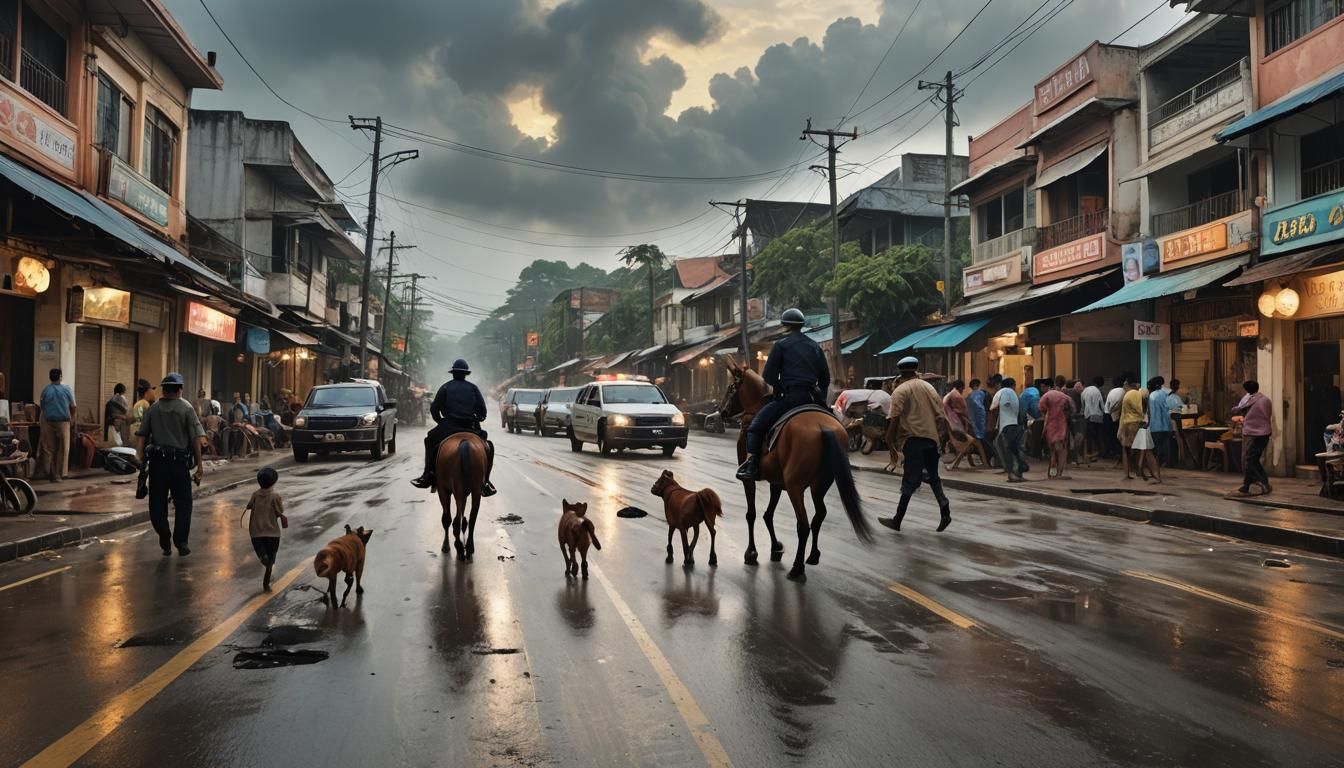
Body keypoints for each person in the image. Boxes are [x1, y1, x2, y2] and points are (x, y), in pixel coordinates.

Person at [736, 308, 829, 481]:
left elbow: (768, 376)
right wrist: (821, 399)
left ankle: (752, 464)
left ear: (785, 326)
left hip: (790, 398)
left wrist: (780, 388)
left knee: (755, 427)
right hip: (812, 398)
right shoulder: (815, 346)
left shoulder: (781, 345)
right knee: (836, 422)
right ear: (801, 325)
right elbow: (825, 379)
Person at [880, 357, 952, 532]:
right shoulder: (929, 388)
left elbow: (894, 419)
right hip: (932, 440)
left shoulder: (900, 391)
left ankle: (897, 520)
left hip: (913, 440)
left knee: (909, 481)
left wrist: (889, 440)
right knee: (933, 477)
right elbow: (941, 416)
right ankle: (945, 509)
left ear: (900, 374)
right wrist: (942, 440)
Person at [136, 373, 205, 556]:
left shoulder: (153, 409)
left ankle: (164, 535)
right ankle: (181, 542)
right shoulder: (187, 408)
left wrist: (139, 456)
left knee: (157, 502)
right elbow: (196, 439)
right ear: (180, 389)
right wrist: (200, 465)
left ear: (164, 389)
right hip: (179, 464)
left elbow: (142, 435)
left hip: (157, 464)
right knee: (183, 503)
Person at [412, 358, 497, 495]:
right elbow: (483, 412)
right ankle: (486, 481)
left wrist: (441, 421)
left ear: (453, 373)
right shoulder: (473, 388)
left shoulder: (445, 387)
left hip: (448, 426)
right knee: (488, 447)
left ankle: (428, 475)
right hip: (470, 427)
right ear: (466, 374)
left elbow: (434, 409)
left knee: (430, 439)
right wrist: (478, 418)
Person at [244, 466, 286, 590]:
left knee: (262, 553)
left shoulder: (255, 494)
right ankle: (267, 580)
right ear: (274, 481)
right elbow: (280, 511)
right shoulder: (275, 496)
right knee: (272, 556)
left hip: (256, 532)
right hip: (272, 532)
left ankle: (264, 558)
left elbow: (249, 506)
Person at [1231, 380, 1273, 496]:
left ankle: (1261, 481)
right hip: (1265, 432)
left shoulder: (1248, 401)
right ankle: (1248, 484)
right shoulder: (1266, 399)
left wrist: (1240, 415)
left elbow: (1240, 410)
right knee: (1252, 459)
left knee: (1249, 459)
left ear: (1247, 390)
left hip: (1253, 433)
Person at [37, 368, 75, 483]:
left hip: (48, 421)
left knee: (49, 449)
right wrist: (73, 418)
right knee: (62, 448)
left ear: (50, 377)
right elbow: (73, 406)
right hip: (63, 422)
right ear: (60, 377)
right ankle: (60, 474)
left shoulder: (45, 390)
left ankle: (53, 474)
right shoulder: (66, 389)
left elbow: (42, 407)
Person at [992, 377, 1029, 481]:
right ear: (1013, 385)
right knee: (1015, 449)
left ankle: (1012, 473)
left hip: (1005, 426)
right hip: (1014, 426)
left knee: (1007, 450)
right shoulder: (1012, 394)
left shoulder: (1001, 394)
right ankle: (1016, 473)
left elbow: (993, 408)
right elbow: (1021, 413)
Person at [1039, 379, 1074, 479]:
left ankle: (1052, 471)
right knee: (1062, 449)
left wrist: (1048, 412)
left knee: (1052, 449)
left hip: (1050, 424)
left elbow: (1041, 407)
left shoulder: (1046, 396)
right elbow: (1073, 409)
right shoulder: (1065, 397)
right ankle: (1059, 473)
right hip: (1062, 425)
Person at [1117, 378, 1144, 480]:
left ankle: (1126, 473)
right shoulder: (1136, 393)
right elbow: (1139, 409)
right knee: (1138, 448)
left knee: (1125, 449)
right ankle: (1138, 470)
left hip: (1126, 423)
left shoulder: (1127, 394)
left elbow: (1123, 413)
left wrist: (1120, 429)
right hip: (1135, 423)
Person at [1148, 375, 1174, 467]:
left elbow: (1149, 412)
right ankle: (1167, 463)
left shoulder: (1151, 395)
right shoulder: (1167, 393)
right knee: (1167, 446)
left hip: (1155, 426)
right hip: (1166, 425)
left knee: (1156, 447)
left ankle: (1157, 463)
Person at [1104, 375, 1127, 460]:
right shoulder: (1124, 392)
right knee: (1118, 436)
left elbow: (1108, 403)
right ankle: (1119, 453)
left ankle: (1110, 452)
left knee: (1109, 435)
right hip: (1117, 416)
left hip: (1107, 415)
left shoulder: (1112, 391)